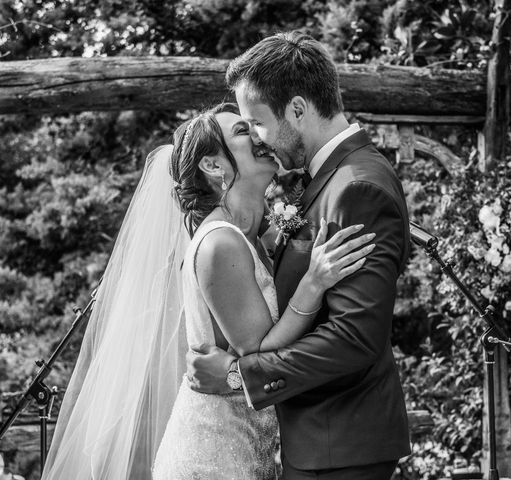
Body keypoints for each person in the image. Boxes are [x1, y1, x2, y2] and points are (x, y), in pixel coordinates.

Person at [41, 103, 372, 480]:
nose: (260, 135)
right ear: (214, 166)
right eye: (242, 132)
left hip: (248, 445)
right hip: (214, 457)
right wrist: (312, 285)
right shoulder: (220, 244)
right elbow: (258, 352)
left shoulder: (250, 235)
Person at [186, 31, 412, 479]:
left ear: (297, 109)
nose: (259, 140)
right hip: (317, 437)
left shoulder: (356, 188)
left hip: (339, 443)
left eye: (258, 124)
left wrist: (239, 376)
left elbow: (354, 337)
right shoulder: (328, 179)